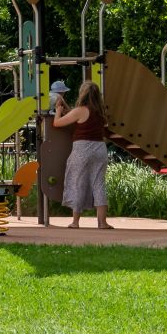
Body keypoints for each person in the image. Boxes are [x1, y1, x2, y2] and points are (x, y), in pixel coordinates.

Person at [52, 79, 112, 230]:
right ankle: (102, 223)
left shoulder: (80, 110)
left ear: (82, 94)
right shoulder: (101, 112)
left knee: (77, 183)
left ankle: (75, 222)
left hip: (82, 149)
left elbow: (57, 123)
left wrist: (58, 111)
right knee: (99, 184)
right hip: (99, 149)